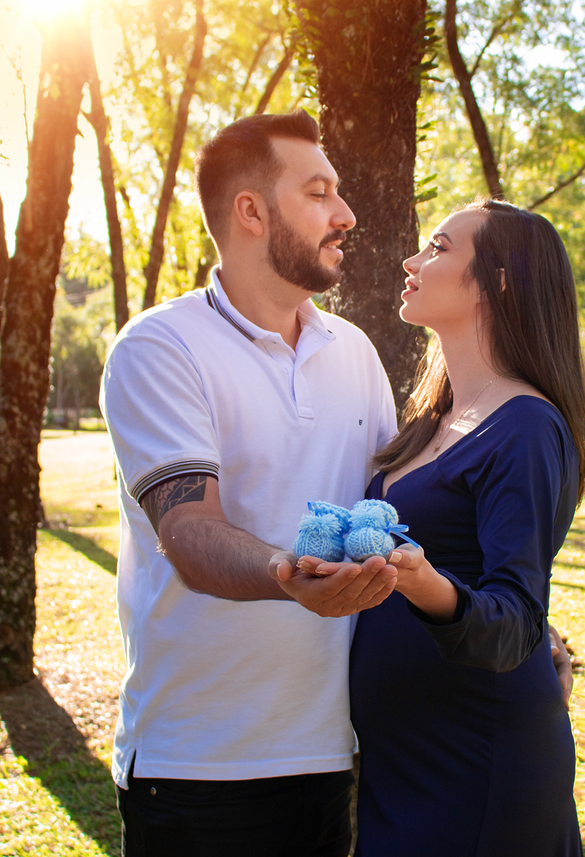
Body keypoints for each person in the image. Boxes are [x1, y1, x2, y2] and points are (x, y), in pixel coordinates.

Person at [99, 111, 400, 857]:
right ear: (252, 212)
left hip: (329, 754)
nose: (345, 214)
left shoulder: (356, 352)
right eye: (319, 193)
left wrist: (520, 633)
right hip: (196, 769)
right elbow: (189, 531)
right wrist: (289, 574)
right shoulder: (159, 347)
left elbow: (397, 516)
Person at [343, 199, 585, 856]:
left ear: (498, 281)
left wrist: (420, 580)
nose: (412, 260)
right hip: (402, 755)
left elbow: (516, 614)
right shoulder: (432, 416)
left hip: (478, 756)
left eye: (439, 247)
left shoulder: (527, 426)